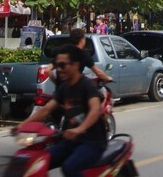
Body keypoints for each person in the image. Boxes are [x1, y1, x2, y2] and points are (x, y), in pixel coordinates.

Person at [16, 44, 107, 177]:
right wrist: (22, 125)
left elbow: (95, 110)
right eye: (57, 65)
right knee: (38, 160)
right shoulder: (64, 88)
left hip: (92, 142)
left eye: (63, 65)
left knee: (70, 167)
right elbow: (45, 110)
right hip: (71, 141)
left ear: (75, 65)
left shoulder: (87, 85)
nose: (59, 69)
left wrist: (79, 130)